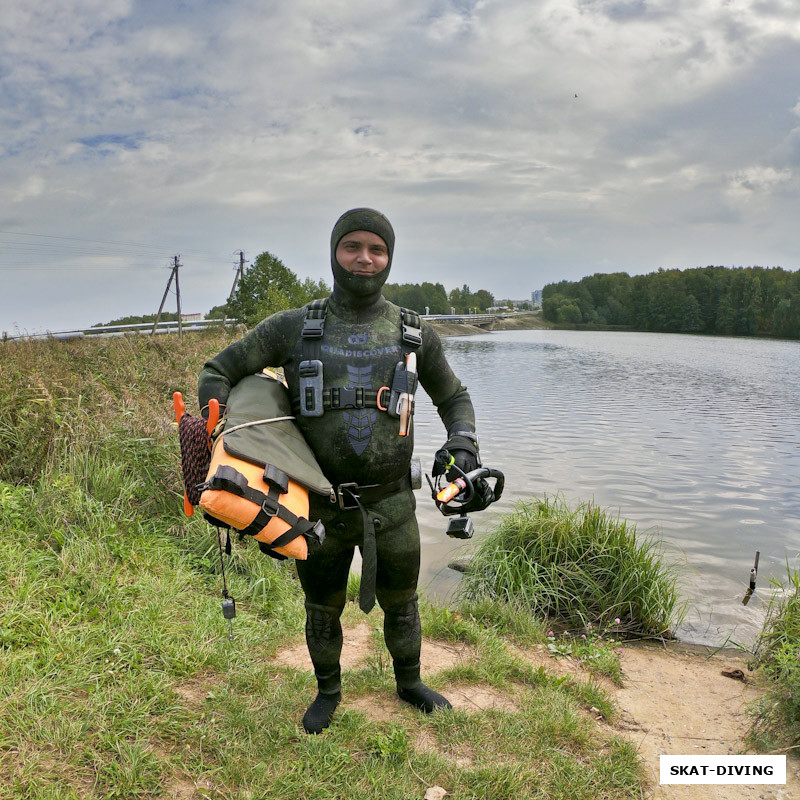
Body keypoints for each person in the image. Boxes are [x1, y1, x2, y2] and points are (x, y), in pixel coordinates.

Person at [198, 208, 481, 734]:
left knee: (403, 603)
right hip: (316, 507)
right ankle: (328, 690)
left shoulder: (414, 332)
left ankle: (409, 682)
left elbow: (454, 397)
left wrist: (462, 441)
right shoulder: (291, 327)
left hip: (393, 503)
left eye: (377, 249)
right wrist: (225, 441)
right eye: (353, 246)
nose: (364, 258)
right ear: (334, 252)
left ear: (390, 258)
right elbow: (217, 371)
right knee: (321, 607)